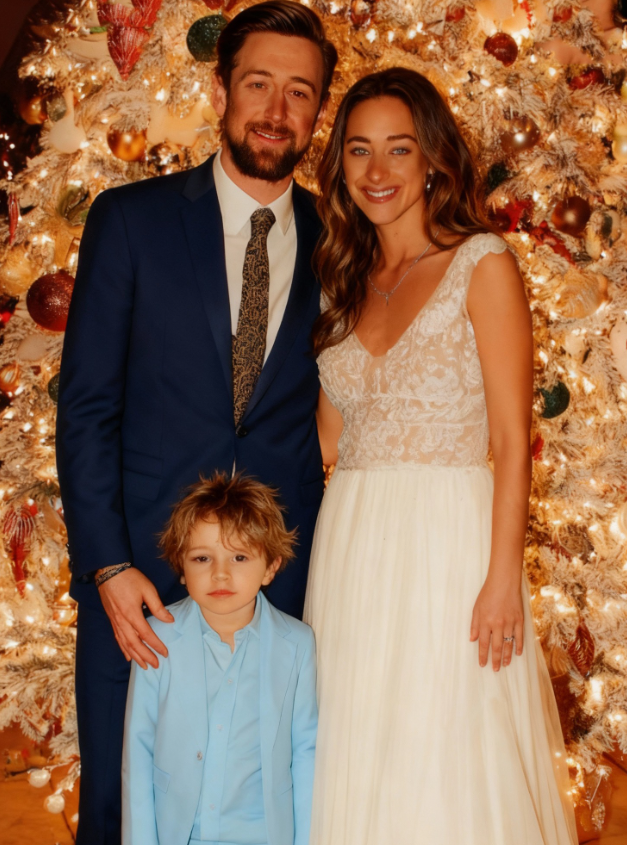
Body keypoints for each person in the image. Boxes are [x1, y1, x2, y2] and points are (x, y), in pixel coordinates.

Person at [56, 3, 336, 842]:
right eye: (258, 84)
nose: (276, 111)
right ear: (220, 90)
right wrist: (107, 565)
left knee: (267, 805)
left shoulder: (342, 241)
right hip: (141, 580)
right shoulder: (130, 221)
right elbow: (87, 406)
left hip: (278, 584)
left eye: (299, 92)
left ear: (318, 110)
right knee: (124, 805)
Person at [305, 68, 578, 845]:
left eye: (399, 148)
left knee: (448, 746)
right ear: (340, 164)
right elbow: (327, 442)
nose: (377, 171)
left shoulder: (481, 263)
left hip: (448, 547)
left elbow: (510, 441)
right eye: (358, 150)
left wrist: (501, 580)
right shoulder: (341, 282)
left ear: (431, 159)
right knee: (359, 744)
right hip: (350, 545)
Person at [122, 473, 317, 845]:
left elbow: (305, 752)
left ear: (270, 567)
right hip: (179, 834)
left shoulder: (297, 644)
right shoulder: (157, 636)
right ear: (181, 568)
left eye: (239, 557)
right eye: (202, 558)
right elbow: (138, 749)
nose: (220, 573)